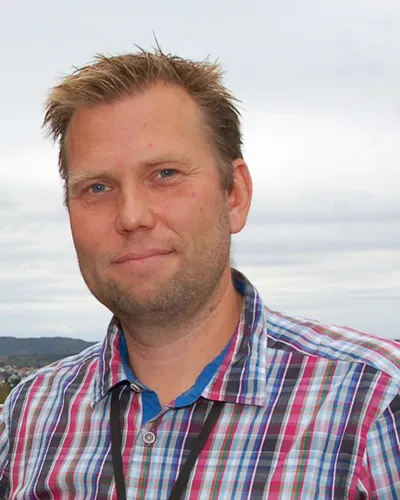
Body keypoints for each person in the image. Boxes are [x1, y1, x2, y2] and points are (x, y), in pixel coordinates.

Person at [0, 48, 399, 500]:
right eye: (97, 187)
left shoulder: (375, 403)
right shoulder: (30, 416)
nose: (132, 217)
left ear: (235, 195)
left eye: (165, 174)